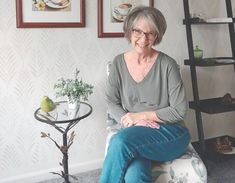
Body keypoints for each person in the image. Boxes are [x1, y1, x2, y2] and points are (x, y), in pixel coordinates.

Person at [99, 6, 191, 183]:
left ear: (157, 35)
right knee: (135, 171)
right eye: (138, 31)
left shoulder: (168, 65)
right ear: (129, 31)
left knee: (120, 142)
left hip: (171, 132)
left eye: (150, 33)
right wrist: (129, 119)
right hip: (137, 132)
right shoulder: (119, 63)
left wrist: (140, 116)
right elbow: (111, 100)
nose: (143, 38)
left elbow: (179, 111)